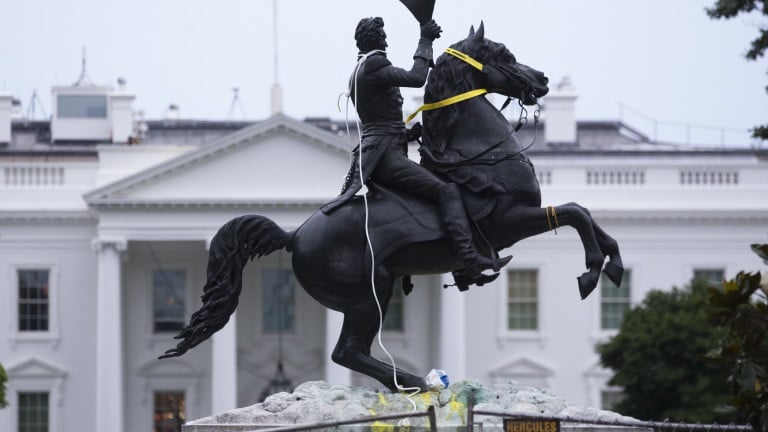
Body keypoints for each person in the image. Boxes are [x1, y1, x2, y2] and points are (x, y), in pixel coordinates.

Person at [321, 17, 507, 283]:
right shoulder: (374, 64)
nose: (386, 40)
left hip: (381, 151)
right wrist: (426, 39)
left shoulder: (360, 70)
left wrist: (407, 134)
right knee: (447, 190)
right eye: (383, 35)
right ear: (375, 39)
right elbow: (417, 78)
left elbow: (378, 122)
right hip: (386, 158)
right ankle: (469, 261)